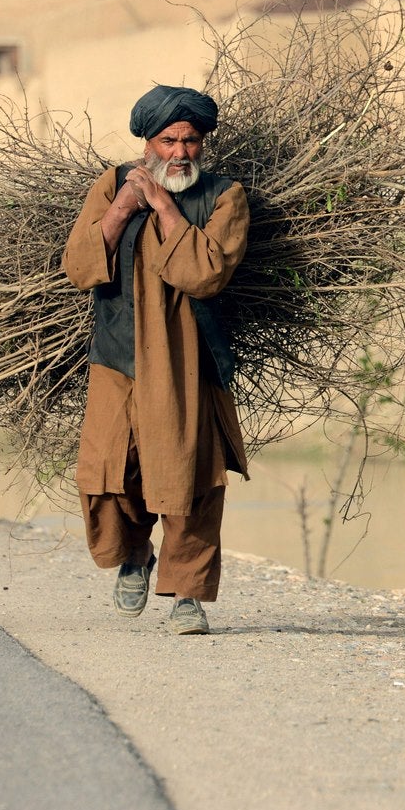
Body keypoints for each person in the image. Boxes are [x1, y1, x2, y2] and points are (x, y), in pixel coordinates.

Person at [62, 85, 250, 636]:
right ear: (148, 141)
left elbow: (205, 274)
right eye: (169, 140)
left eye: (191, 142)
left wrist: (164, 206)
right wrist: (123, 206)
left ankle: (188, 595)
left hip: (186, 357)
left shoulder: (224, 196)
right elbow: (78, 267)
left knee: (189, 475)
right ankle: (133, 557)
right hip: (117, 352)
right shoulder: (112, 184)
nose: (180, 153)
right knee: (109, 471)